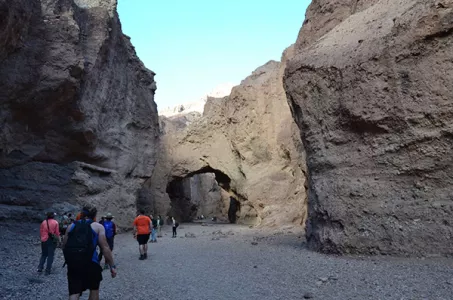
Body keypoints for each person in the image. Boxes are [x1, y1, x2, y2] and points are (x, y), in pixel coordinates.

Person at [62, 205, 117, 300]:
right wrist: (112, 266)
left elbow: (64, 246)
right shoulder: (98, 227)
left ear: (82, 214)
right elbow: (105, 248)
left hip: (73, 263)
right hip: (91, 262)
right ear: (95, 215)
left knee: (74, 292)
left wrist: (70, 259)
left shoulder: (71, 226)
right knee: (94, 289)